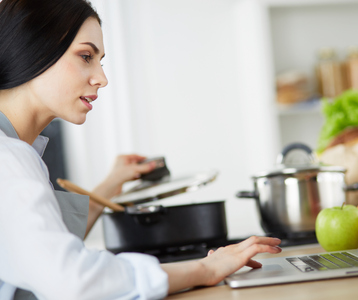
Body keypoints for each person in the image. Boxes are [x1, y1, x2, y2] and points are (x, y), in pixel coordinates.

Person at [0, 0, 282, 299]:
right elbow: (72, 279)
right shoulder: (9, 157)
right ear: (33, 48)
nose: (102, 78)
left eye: (100, 61)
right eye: (85, 56)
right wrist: (204, 270)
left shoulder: (15, 153)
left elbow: (39, 252)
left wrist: (110, 186)